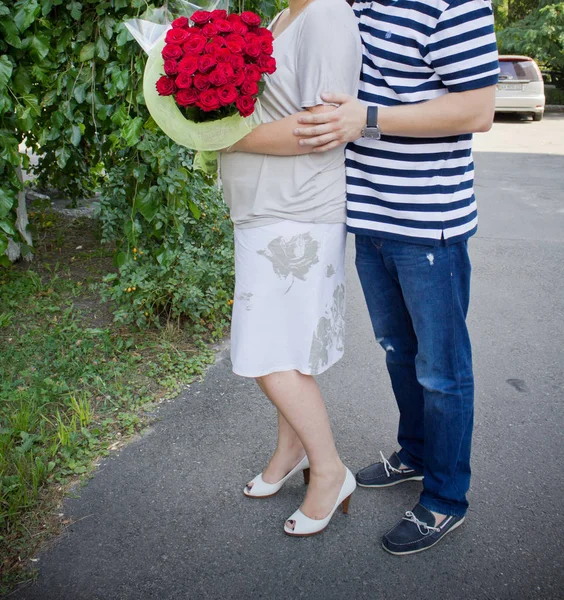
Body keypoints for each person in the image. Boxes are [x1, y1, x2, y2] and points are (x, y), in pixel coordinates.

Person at [292, 0, 499, 553]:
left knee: (443, 371)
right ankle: (415, 454)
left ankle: (445, 499)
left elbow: (478, 108)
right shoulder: (354, 5)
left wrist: (370, 117)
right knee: (397, 351)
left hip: (429, 225)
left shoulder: (454, 5)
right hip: (370, 218)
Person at [219, 0, 362, 536]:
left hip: (296, 213)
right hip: (266, 208)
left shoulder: (325, 13)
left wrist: (222, 137)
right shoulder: (284, 15)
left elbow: (323, 127)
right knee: (288, 348)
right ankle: (290, 452)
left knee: (264, 352)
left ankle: (330, 471)